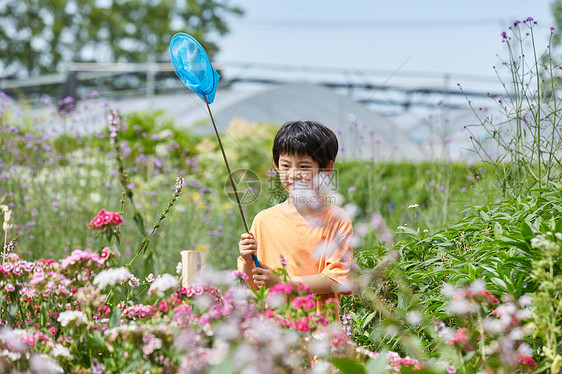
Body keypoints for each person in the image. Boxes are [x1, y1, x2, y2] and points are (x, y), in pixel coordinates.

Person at [237, 120, 354, 317]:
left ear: (326, 169)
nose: (293, 174)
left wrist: (283, 283)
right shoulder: (263, 220)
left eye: (304, 166)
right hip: (273, 332)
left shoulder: (337, 219)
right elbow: (253, 286)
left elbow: (338, 281)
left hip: (319, 334)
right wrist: (248, 260)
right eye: (285, 165)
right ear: (276, 166)